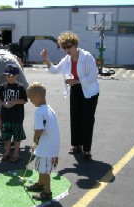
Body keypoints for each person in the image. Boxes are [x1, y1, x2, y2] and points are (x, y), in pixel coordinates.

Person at [40, 31, 99, 160]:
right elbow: (54, 70)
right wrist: (46, 59)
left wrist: (76, 81)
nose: (67, 49)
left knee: (87, 120)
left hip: (90, 91)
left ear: (75, 44)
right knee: (75, 117)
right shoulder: (66, 59)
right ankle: (76, 145)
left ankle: (87, 149)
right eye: (64, 47)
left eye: (69, 46)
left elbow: (94, 76)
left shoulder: (87, 56)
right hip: (76, 89)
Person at [25, 82, 60, 200]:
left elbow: (39, 129)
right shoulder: (49, 109)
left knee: (44, 171)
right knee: (41, 167)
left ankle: (47, 191)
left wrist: (35, 140)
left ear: (37, 97)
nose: (31, 101)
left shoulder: (39, 111)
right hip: (50, 144)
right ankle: (40, 184)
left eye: (31, 99)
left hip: (46, 147)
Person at [0, 64, 27, 162]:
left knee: (17, 137)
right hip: (5, 116)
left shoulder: (20, 87)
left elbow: (24, 100)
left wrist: (15, 101)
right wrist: (3, 104)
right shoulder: (3, 86)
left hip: (17, 117)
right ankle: (7, 152)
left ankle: (16, 153)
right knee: (7, 136)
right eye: (7, 75)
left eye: (12, 75)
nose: (9, 77)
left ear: (17, 76)